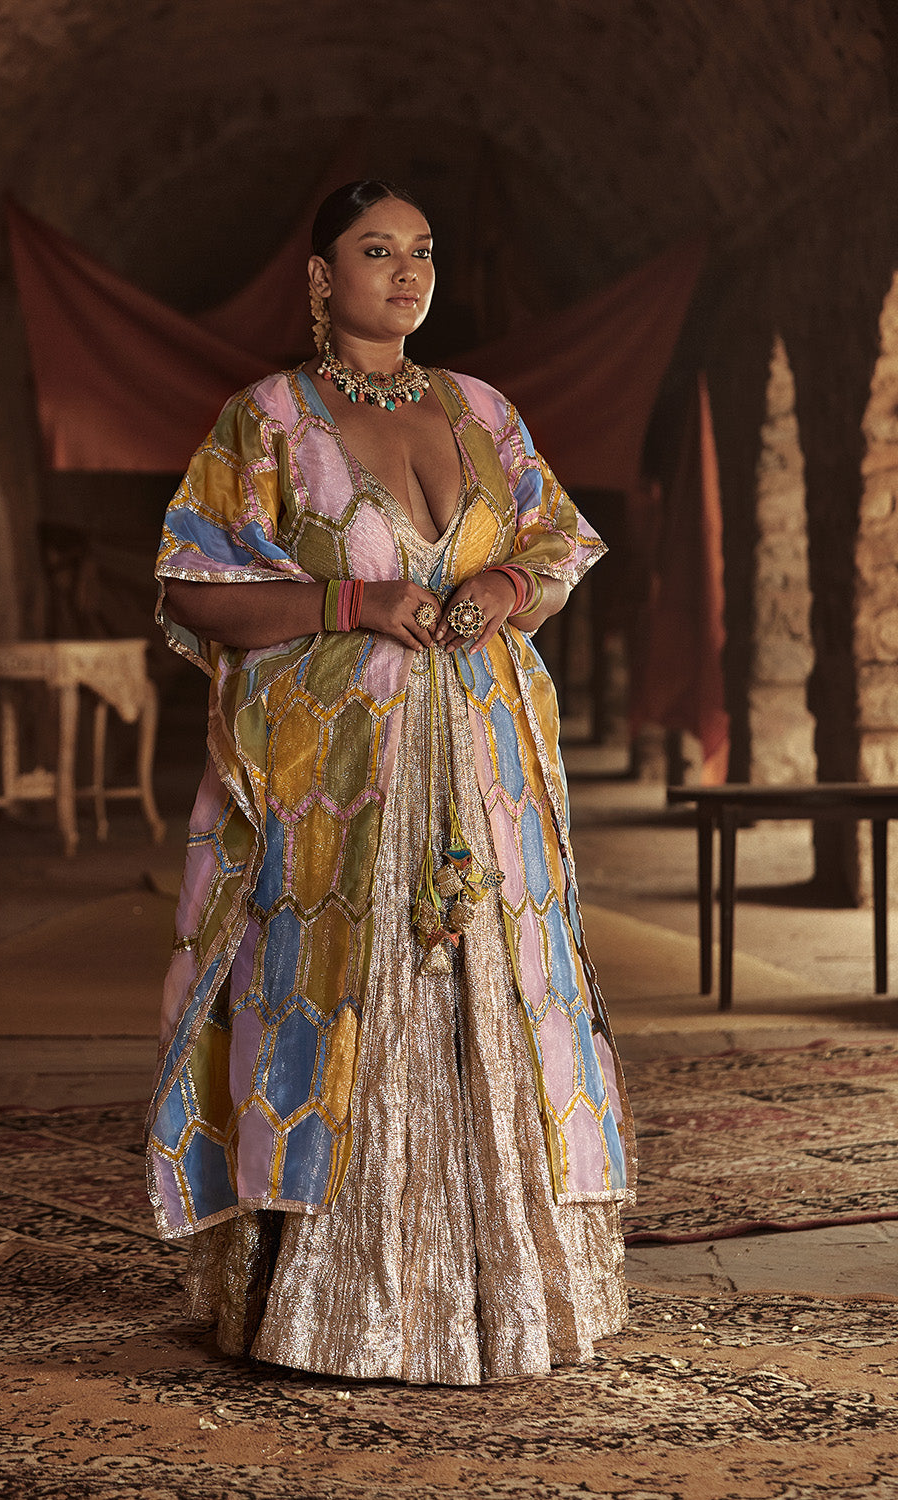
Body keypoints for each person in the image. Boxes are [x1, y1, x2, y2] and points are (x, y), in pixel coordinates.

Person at [146, 180, 636, 1386]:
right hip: (338, 781)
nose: (407, 272)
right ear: (323, 278)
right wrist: (350, 601)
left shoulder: (481, 410)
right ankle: (333, 1306)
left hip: (486, 761)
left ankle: (505, 1298)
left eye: (421, 250)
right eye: (377, 251)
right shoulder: (267, 419)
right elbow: (191, 586)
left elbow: (558, 542)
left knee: (498, 990)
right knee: (344, 995)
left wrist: (505, 589)